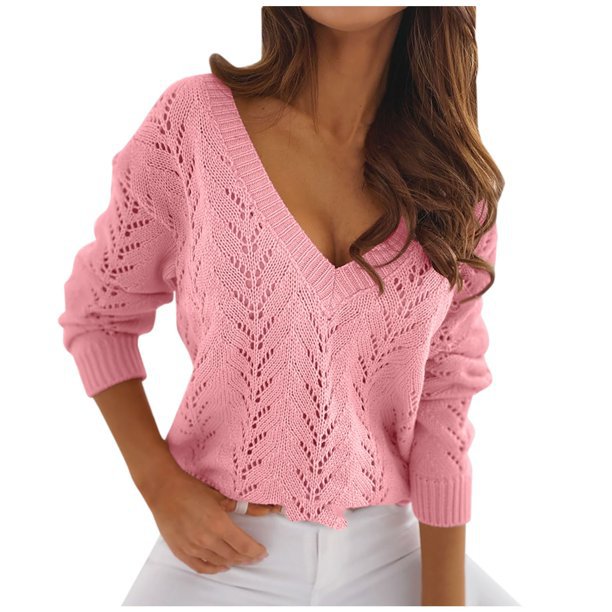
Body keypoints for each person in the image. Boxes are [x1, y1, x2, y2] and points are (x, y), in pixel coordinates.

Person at [57, 6, 519, 607]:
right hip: (223, 555)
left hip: (393, 557)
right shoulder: (194, 125)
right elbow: (99, 314)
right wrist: (159, 484)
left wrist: (443, 601)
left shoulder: (457, 188)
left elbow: (445, 395)